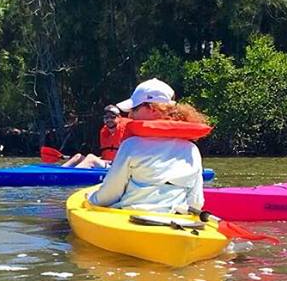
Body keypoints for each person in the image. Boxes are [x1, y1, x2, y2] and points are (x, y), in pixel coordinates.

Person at [88, 78, 211, 212]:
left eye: (135, 108)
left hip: (133, 217)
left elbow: (108, 196)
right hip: (176, 220)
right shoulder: (191, 149)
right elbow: (196, 202)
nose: (130, 114)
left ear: (152, 109)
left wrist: (90, 198)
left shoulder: (131, 146)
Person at [61, 105, 128, 169]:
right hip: (107, 164)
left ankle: (72, 175)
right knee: (78, 156)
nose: (109, 120)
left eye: (112, 117)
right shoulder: (104, 132)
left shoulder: (126, 132)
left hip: (117, 167)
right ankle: (60, 171)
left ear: (119, 118)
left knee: (91, 157)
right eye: (106, 117)